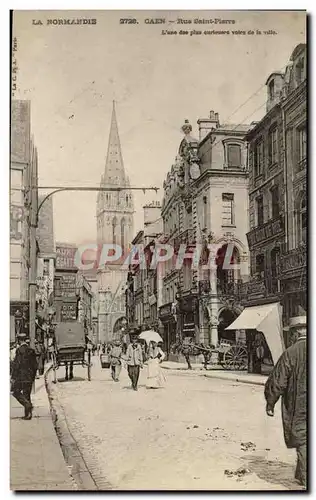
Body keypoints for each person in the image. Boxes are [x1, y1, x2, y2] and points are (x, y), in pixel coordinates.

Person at [264, 316, 307, 488]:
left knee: (303, 439)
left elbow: (278, 381)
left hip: (301, 404)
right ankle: (300, 472)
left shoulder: (291, 353)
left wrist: (270, 403)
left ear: (296, 333)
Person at [11, 334, 38, 420]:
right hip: (29, 376)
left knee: (15, 392)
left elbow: (17, 365)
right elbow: (35, 365)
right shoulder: (31, 350)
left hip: (21, 377)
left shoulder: (19, 351)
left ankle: (28, 405)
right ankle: (28, 414)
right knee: (27, 394)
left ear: (19, 340)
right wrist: (33, 376)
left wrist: (13, 377)